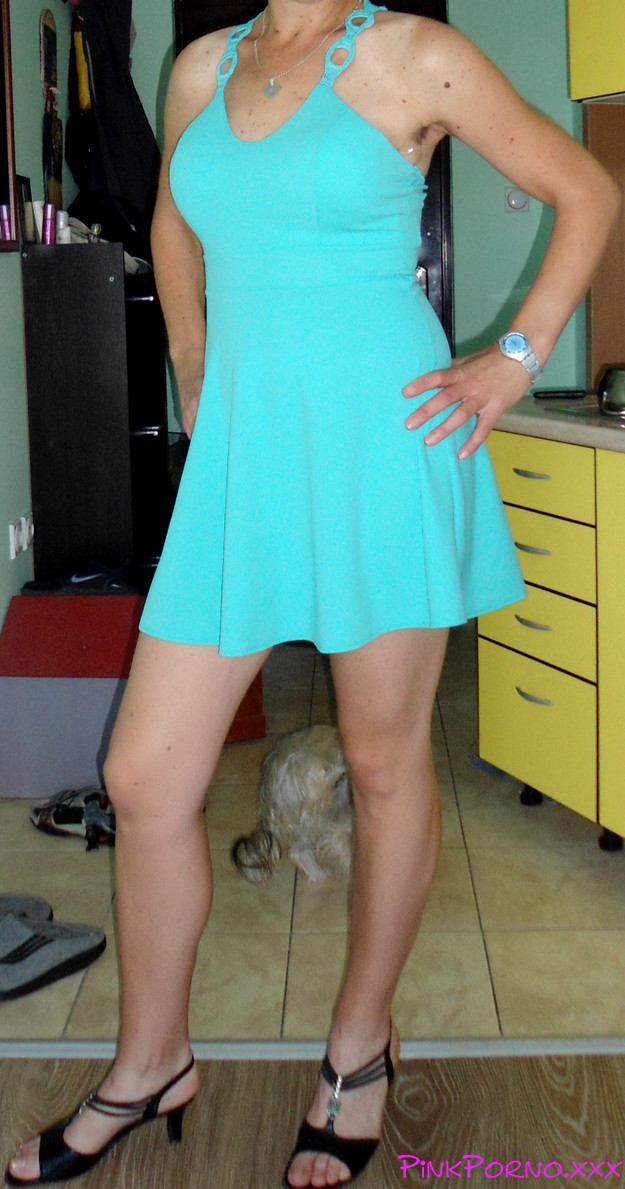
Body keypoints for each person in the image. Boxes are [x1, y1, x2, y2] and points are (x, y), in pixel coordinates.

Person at [6, 1, 619, 1186]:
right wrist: (192, 358)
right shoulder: (201, 65)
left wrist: (514, 359)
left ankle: (357, 1047)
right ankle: (153, 1059)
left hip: (383, 447)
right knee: (143, 777)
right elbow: (172, 221)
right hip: (244, 457)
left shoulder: (416, 54)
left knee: (382, 765)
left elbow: (586, 189)